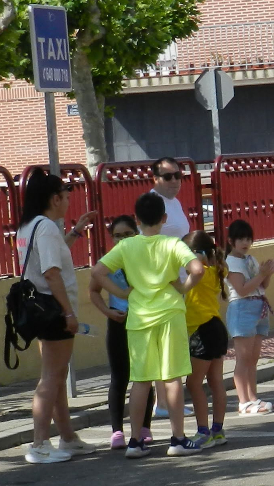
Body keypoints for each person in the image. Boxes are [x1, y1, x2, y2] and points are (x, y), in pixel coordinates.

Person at [91, 193, 205, 458]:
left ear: (137, 219)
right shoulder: (172, 244)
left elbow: (97, 272)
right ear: (164, 218)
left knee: (140, 380)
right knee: (172, 377)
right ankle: (178, 439)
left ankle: (135, 442)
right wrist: (182, 289)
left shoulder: (127, 246)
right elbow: (198, 269)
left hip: (139, 317)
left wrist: (121, 293)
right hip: (169, 313)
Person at [16, 170, 97, 464]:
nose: (68, 201)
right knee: (51, 377)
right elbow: (51, 273)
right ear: (54, 199)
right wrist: (69, 312)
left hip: (40, 309)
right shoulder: (46, 227)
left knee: (58, 375)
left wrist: (75, 233)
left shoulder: (30, 226)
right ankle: (39, 443)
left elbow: (49, 259)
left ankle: (68, 437)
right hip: (53, 309)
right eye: (65, 196)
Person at [88, 215, 139, 451]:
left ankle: (144, 428)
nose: (123, 239)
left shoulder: (144, 258)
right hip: (118, 322)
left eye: (128, 234)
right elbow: (93, 291)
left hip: (142, 322)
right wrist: (108, 312)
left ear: (136, 234)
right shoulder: (107, 263)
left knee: (143, 377)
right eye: (118, 236)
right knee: (120, 377)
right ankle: (117, 431)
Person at [224, 219, 274, 415]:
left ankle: (253, 398)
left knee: (253, 358)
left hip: (258, 306)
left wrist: (267, 274)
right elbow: (241, 289)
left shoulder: (250, 259)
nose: (245, 243)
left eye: (248, 239)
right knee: (243, 358)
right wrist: (262, 274)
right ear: (231, 241)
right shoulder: (231, 262)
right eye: (241, 239)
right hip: (242, 308)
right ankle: (243, 402)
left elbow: (262, 286)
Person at [182, 229, 229, 449]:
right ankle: (217, 430)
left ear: (198, 254)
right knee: (215, 381)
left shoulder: (202, 273)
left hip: (205, 330)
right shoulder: (216, 270)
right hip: (215, 328)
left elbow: (195, 270)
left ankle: (204, 432)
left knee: (193, 383)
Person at [148, 158, 192, 238]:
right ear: (156, 179)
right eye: (167, 177)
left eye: (177, 175)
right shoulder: (150, 204)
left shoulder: (175, 201)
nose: (174, 181)